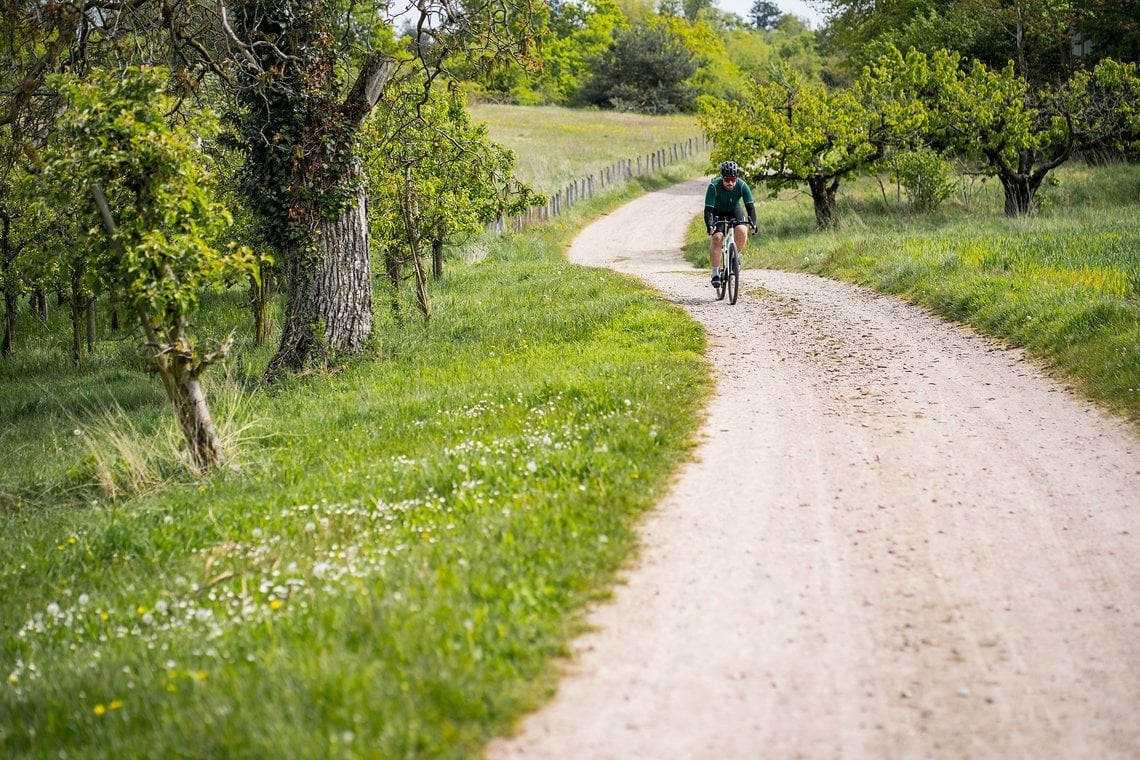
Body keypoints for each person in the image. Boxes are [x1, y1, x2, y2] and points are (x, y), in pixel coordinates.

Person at [704, 160, 757, 287]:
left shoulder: (742, 185)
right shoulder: (713, 186)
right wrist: (710, 225)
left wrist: (753, 224)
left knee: (742, 230)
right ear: (722, 178)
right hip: (717, 211)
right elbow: (708, 210)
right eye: (727, 179)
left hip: (734, 209)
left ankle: (734, 257)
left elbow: (750, 207)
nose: (730, 183)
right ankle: (715, 273)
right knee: (717, 238)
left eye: (733, 179)